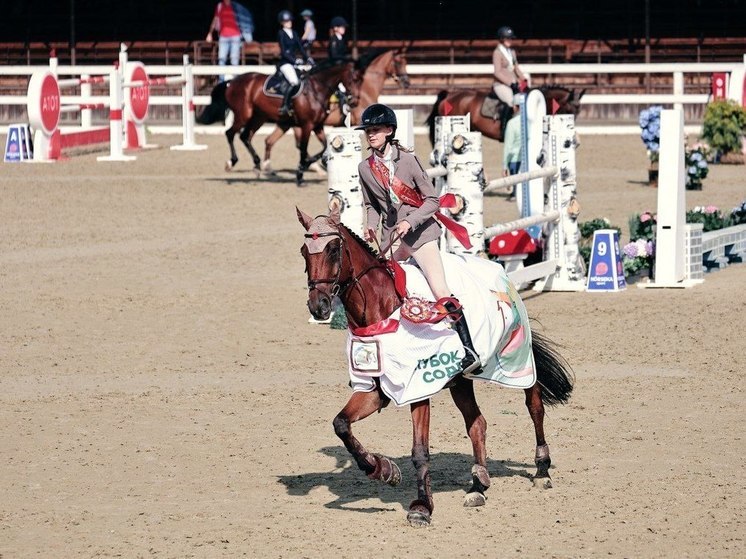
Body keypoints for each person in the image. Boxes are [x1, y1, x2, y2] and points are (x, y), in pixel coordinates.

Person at [355, 104, 481, 376]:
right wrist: (370, 227)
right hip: (392, 239)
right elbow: (371, 206)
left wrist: (409, 221)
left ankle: (469, 349)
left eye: (375, 130)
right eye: (368, 131)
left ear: (389, 131)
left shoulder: (408, 161)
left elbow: (433, 201)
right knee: (381, 289)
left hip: (420, 236)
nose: (371, 135)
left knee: (439, 289)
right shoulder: (365, 168)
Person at [206, 0, 255, 82]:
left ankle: (235, 81)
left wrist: (247, 34)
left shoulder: (236, 6)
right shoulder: (220, 6)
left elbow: (244, 18)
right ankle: (221, 81)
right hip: (223, 36)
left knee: (234, 60)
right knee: (221, 59)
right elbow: (215, 19)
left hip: (235, 36)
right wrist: (210, 33)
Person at [492, 26, 527, 136]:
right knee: (511, 102)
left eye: (511, 38)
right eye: (507, 38)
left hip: (514, 84)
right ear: (501, 39)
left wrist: (523, 80)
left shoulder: (512, 52)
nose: (510, 40)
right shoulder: (497, 53)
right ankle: (504, 129)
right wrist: (510, 83)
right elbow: (497, 72)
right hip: (501, 84)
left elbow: (516, 68)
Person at [276, 10, 310, 117]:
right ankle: (285, 106)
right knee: (294, 82)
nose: (289, 22)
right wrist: (294, 61)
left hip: (295, 62)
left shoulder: (294, 33)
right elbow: (283, 52)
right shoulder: (281, 33)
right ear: (282, 22)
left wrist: (307, 58)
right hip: (285, 63)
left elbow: (300, 47)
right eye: (286, 21)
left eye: (290, 20)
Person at [502, 103, 522, 201]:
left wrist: (504, 166)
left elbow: (508, 146)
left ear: (515, 107)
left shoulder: (511, 123)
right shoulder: (531, 121)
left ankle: (515, 193)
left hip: (514, 159)